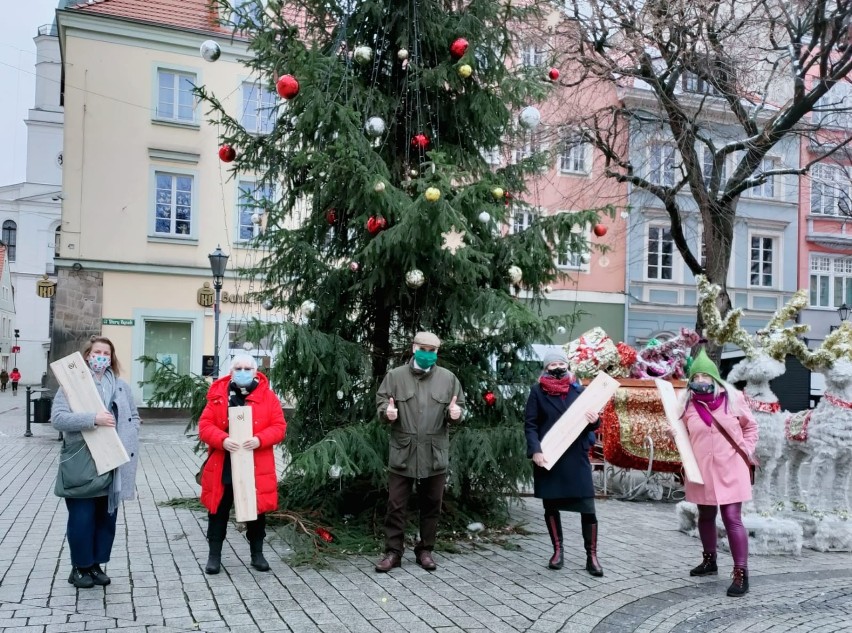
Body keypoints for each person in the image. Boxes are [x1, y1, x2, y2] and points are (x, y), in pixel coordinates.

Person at [51, 336, 141, 589]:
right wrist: (93, 419)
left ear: (112, 358)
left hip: (114, 462)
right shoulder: (71, 385)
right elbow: (58, 419)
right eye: (97, 352)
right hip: (83, 461)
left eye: (107, 353)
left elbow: (133, 415)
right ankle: (79, 567)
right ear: (87, 355)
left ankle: (94, 564)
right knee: (82, 517)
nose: (102, 356)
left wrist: (131, 431)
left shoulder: (122, 386)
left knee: (106, 518)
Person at [374, 331, 465, 573]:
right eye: (423, 349)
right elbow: (382, 403)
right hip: (403, 452)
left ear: (437, 352)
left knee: (432, 504)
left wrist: (455, 415)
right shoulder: (395, 376)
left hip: (434, 453)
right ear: (414, 348)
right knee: (395, 504)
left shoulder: (448, 379)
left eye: (432, 350)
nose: (427, 354)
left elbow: (457, 408)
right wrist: (387, 413)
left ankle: (425, 550)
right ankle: (393, 552)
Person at [679, 349, 758, 597]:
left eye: (706, 376)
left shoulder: (733, 399)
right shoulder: (685, 405)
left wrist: (745, 449)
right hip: (702, 470)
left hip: (731, 467)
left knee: (732, 517)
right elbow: (684, 438)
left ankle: (741, 573)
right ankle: (709, 561)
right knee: (705, 514)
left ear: (715, 378)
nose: (701, 380)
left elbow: (751, 427)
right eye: (697, 376)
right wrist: (676, 437)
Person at [198, 354, 286, 574]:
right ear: (231, 371)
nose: (243, 372)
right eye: (238, 368)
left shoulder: (268, 397)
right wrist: (222, 440)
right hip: (224, 462)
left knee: (256, 512)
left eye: (248, 368)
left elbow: (279, 426)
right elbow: (205, 425)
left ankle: (257, 555)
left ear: (256, 372)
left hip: (256, 464)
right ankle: (214, 557)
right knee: (218, 510)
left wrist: (259, 440)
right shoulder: (218, 395)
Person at [525, 350, 604, 576]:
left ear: (568, 366)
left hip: (576, 457)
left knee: (588, 508)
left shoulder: (580, 391)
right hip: (549, 457)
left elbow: (591, 424)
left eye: (561, 363)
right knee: (551, 506)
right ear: (546, 368)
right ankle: (557, 552)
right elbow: (530, 425)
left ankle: (592, 556)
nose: (557, 367)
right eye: (553, 364)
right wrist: (535, 451)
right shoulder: (537, 393)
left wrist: (594, 420)